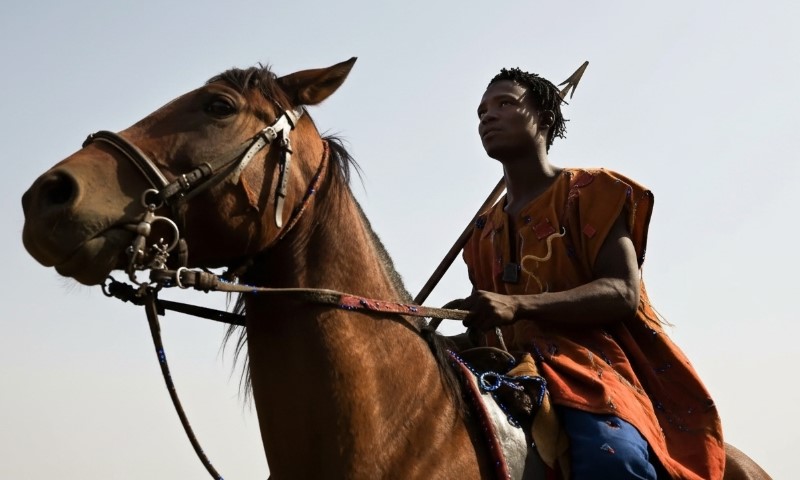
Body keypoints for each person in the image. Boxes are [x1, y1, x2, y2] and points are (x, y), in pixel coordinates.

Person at [447, 68, 725, 479]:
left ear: (543, 116)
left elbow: (621, 291)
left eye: (505, 104)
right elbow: (493, 324)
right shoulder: (481, 232)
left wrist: (518, 303)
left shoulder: (591, 192)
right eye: (481, 111)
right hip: (505, 368)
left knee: (614, 463)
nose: (487, 117)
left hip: (588, 368)